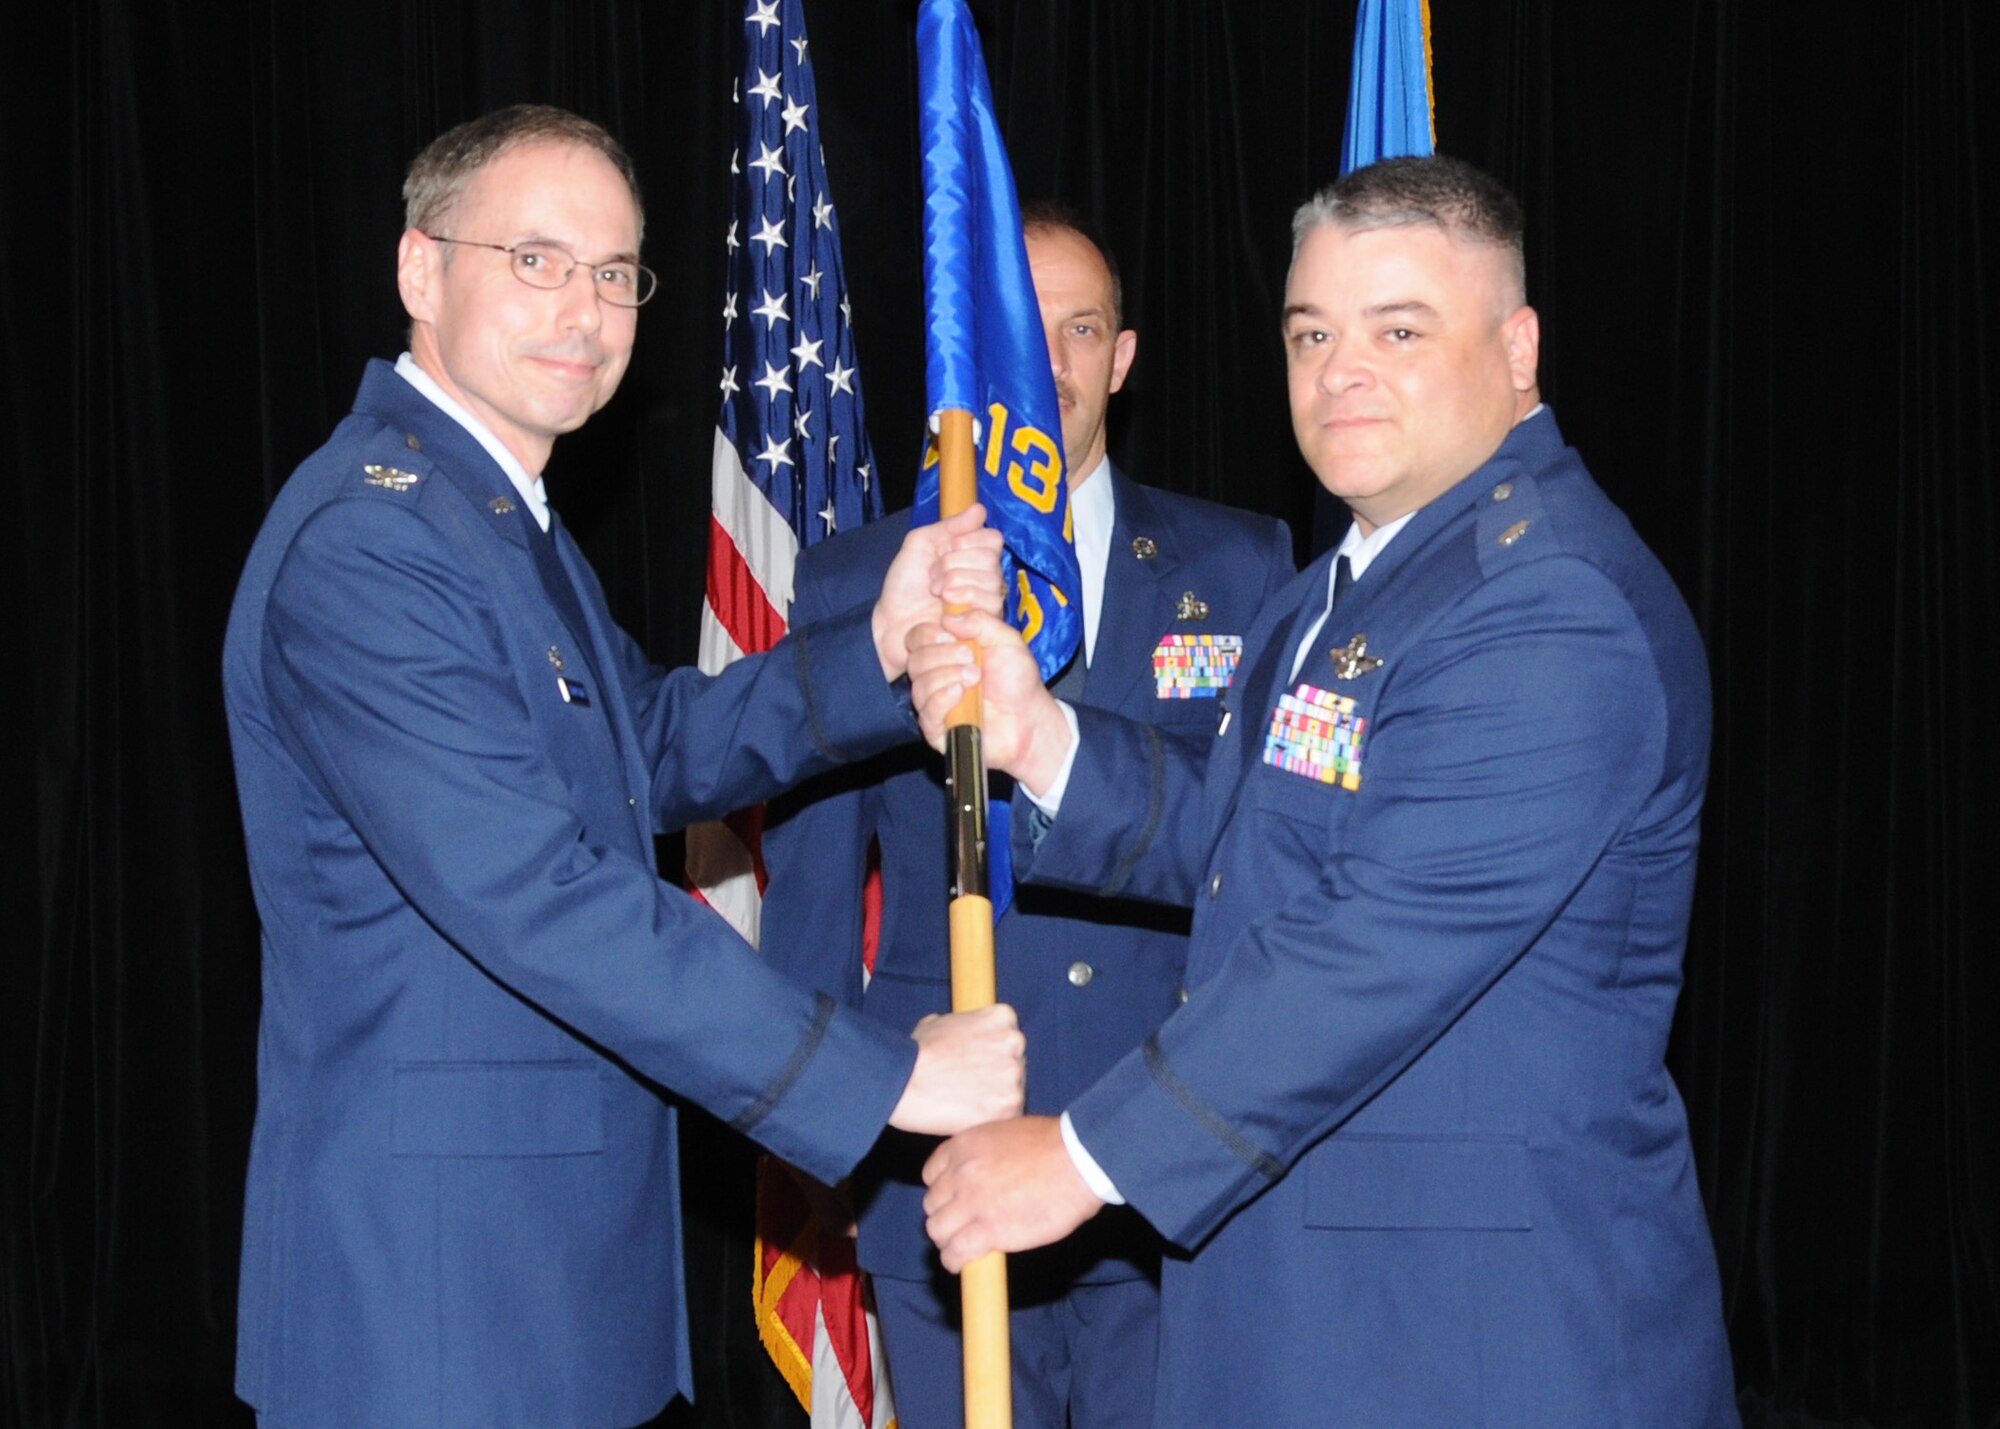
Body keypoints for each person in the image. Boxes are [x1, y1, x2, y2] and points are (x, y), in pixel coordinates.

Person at [221, 104, 1026, 1429]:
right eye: (534, 259)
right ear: (422, 272)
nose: (582, 310)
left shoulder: (487, 516)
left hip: (541, 1281)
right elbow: (542, 893)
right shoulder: (372, 544)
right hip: (436, 1300)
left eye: (613, 274)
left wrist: (877, 646)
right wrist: (885, 1076)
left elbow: (637, 745)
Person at [907, 156, 1740, 1426]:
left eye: (1397, 330)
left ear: (1516, 349)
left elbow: (1375, 944)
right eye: (1310, 332)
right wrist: (1041, 741)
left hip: (1475, 1335)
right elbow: (1263, 847)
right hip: (1311, 1302)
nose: (1339, 369)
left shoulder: (1548, 605)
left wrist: (1084, 1152)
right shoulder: (1349, 582)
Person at [760, 207, 1293, 1428]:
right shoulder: (861, 580)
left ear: (1123, 357)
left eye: (1081, 329)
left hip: (1163, 1149)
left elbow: (1264, 862)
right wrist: (820, 1127)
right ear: (967, 362)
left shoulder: (1242, 562)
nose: (1049, 366)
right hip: (938, 1162)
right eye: (1019, 335)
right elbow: (812, 878)